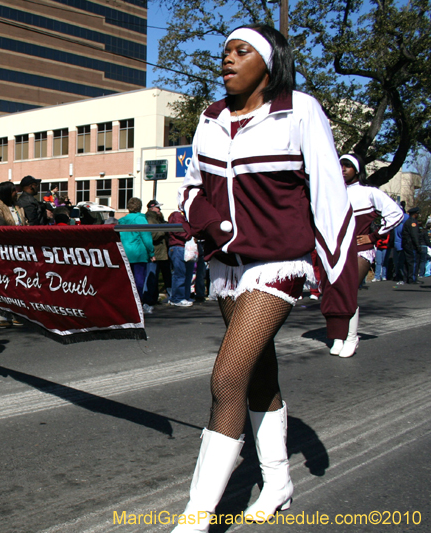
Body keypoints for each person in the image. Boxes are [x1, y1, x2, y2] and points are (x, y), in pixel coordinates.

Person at [172, 25, 357, 531]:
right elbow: (191, 190)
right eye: (225, 51)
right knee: (258, 377)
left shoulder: (299, 109)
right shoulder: (209, 118)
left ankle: (196, 517)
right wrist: (207, 222)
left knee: (227, 377)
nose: (227, 60)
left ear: (270, 62)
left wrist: (340, 305)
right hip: (226, 268)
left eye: (241, 51)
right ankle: (277, 483)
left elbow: (330, 200)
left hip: (279, 265)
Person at [328, 154, 402, 357]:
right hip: (337, 250)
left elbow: (395, 213)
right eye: (340, 165)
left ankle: (351, 337)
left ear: (358, 170)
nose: (342, 169)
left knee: (349, 290)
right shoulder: (333, 193)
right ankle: (338, 336)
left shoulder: (369, 193)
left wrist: (374, 236)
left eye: (347, 166)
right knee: (336, 291)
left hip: (361, 249)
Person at [0, 181, 27, 327]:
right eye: (12, 191)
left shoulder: (18, 207)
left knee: (18, 282)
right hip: (4, 249)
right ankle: (1, 315)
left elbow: (24, 223)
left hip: (20, 249)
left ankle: (17, 314)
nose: (16, 193)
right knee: (3, 282)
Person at [118, 198, 155, 314]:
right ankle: (137, 304)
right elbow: (146, 237)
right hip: (139, 253)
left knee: (127, 281)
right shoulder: (141, 219)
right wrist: (151, 253)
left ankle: (126, 303)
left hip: (125, 253)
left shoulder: (122, 220)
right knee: (139, 280)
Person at [167, 208, 194, 307]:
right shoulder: (177, 215)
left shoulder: (183, 216)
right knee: (180, 274)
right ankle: (178, 298)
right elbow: (177, 230)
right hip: (179, 247)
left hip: (184, 248)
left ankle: (183, 296)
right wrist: (190, 234)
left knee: (186, 274)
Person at [145, 200, 170, 304]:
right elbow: (153, 235)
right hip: (156, 252)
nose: (159, 209)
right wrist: (164, 230)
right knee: (153, 276)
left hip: (162, 252)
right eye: (157, 207)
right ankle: (150, 299)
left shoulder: (158, 218)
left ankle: (161, 297)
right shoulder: (150, 218)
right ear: (152, 208)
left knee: (166, 275)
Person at [402, 207, 422, 284]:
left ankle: (407, 277)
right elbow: (414, 235)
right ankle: (412, 278)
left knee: (408, 262)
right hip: (411, 245)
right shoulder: (413, 222)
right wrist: (418, 246)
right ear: (415, 214)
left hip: (407, 244)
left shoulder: (407, 222)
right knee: (413, 262)